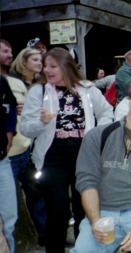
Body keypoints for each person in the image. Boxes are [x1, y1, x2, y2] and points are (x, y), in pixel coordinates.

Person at [20, 47, 113, 253]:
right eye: (45, 66)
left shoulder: (87, 89)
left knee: (84, 209)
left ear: (66, 66)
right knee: (57, 211)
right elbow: (26, 129)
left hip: (84, 152)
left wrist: (96, 133)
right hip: (52, 155)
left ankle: (84, 249)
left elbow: (107, 111)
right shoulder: (39, 91)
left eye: (53, 66)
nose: (47, 70)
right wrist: (41, 122)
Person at [72, 85, 131, 253]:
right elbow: (87, 181)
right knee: (83, 249)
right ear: (130, 103)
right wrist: (95, 221)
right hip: (103, 209)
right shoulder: (98, 135)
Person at [8, 46, 47, 245]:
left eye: (41, 60)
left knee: (36, 190)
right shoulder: (12, 83)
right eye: (35, 60)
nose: (39, 64)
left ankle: (44, 234)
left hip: (35, 146)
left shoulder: (44, 84)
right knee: (12, 198)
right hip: (15, 146)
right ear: (23, 62)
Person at [0, 73, 18, 253]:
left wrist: (10, 132)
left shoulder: (1, 82)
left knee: (9, 220)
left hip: (2, 161)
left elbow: (11, 108)